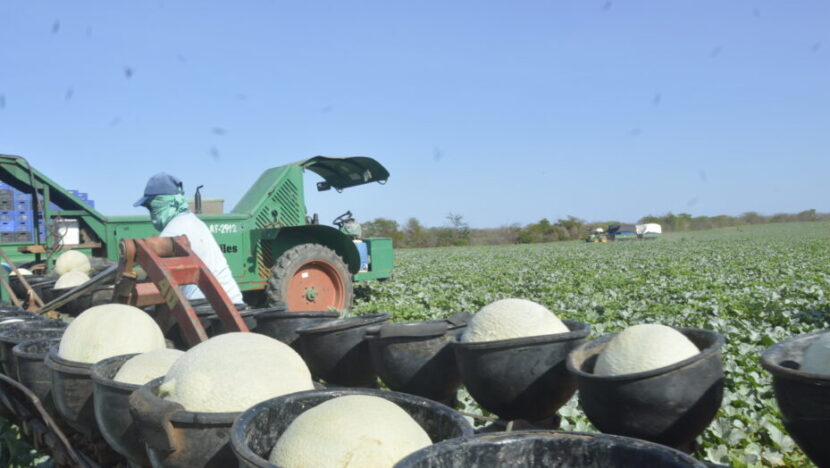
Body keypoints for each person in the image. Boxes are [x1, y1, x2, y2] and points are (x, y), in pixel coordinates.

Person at [134, 173, 244, 304]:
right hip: (233, 301)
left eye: (151, 207)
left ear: (163, 203)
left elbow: (159, 278)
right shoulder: (194, 222)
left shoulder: (173, 232)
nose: (151, 214)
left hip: (209, 308)